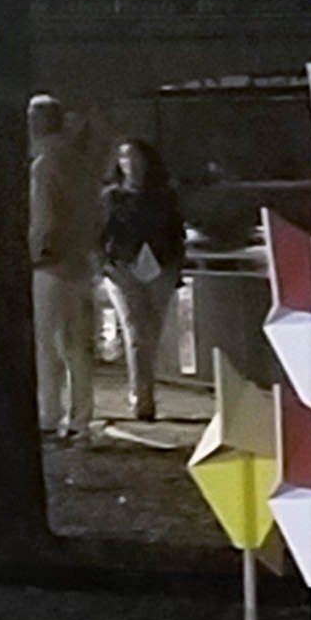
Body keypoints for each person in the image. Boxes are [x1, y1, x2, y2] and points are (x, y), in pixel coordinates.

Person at [98, 138, 187, 423]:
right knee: (136, 330)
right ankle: (142, 399)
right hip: (123, 269)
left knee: (152, 332)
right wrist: (107, 266)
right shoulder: (111, 198)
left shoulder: (165, 197)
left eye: (136, 158)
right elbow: (99, 235)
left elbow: (176, 234)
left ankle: (144, 389)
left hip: (160, 267)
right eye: (125, 158)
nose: (131, 164)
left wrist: (175, 269)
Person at [28, 96, 99, 443]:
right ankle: (81, 417)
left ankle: (48, 413)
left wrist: (37, 253)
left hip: (52, 266)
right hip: (80, 263)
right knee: (76, 345)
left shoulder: (43, 164)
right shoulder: (80, 164)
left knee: (46, 344)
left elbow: (44, 220)